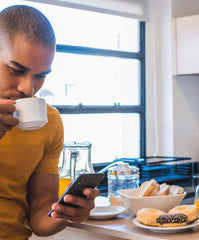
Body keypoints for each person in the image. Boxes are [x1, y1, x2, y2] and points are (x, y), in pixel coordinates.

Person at [0, 5, 99, 239]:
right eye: (16, 69)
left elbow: (39, 217)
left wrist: (66, 213)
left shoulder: (49, 122)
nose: (28, 88)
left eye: (40, 75)